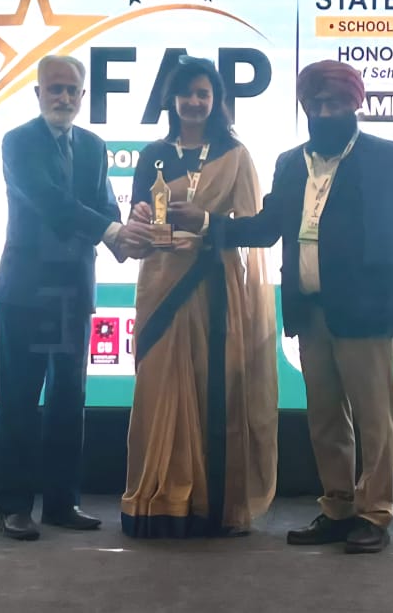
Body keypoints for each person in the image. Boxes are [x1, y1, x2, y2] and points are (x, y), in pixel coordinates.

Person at [170, 59, 393, 554]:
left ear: (355, 104)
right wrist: (208, 223)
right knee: (324, 417)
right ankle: (338, 507)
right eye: (315, 104)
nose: (324, 112)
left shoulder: (385, 157)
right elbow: (266, 228)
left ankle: (375, 513)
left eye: (335, 103)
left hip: (366, 312)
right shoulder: (290, 163)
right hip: (310, 310)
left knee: (374, 419)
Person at [0, 54, 155, 541]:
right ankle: (14, 507)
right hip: (26, 291)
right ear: (38, 93)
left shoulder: (94, 146)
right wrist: (113, 232)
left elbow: (104, 206)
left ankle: (62, 503)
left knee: (68, 401)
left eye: (71, 90)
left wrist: (126, 240)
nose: (63, 97)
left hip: (72, 290)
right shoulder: (18, 141)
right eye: (54, 88)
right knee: (19, 401)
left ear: (83, 96)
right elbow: (51, 204)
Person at [120, 55, 278, 538]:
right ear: (171, 99)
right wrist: (140, 217)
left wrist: (206, 225)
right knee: (158, 385)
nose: (193, 101)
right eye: (186, 93)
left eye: (203, 94)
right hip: (160, 283)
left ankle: (209, 504)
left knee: (215, 388)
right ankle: (160, 499)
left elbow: (255, 230)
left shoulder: (235, 155)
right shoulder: (153, 153)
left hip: (213, 288)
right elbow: (139, 217)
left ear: (216, 101)